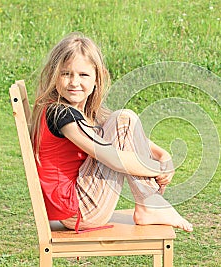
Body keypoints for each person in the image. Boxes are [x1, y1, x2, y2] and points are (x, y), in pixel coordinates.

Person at [30, 33, 192, 233]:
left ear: (98, 78)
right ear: (55, 75)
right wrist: (157, 168)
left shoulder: (82, 112)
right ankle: (150, 204)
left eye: (83, 75)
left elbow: (126, 136)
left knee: (124, 119)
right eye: (66, 74)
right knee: (124, 118)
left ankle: (149, 205)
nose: (74, 82)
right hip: (78, 210)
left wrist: (162, 155)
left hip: (77, 206)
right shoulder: (61, 114)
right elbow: (113, 158)